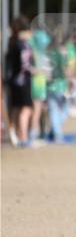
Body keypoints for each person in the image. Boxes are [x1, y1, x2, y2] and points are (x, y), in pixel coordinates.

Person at [4, 17, 34, 147]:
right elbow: (25, 65)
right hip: (22, 81)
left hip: (13, 82)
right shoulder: (22, 45)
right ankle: (23, 137)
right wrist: (35, 70)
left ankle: (15, 134)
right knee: (26, 110)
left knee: (15, 109)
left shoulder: (12, 43)